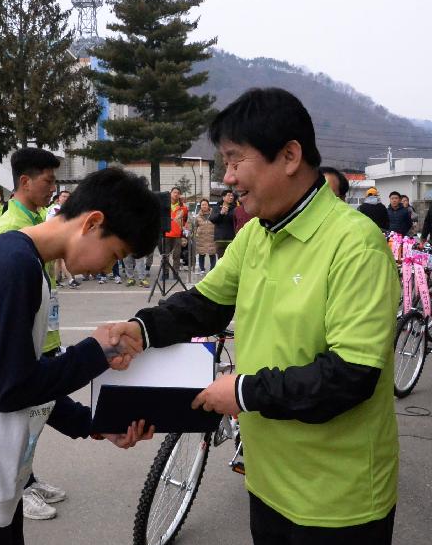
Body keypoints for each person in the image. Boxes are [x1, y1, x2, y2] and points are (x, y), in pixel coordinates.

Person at [111, 87, 400, 544]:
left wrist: (243, 391)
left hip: (337, 502)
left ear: (289, 156)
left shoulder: (355, 244)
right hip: (267, 483)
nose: (228, 177)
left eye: (234, 160)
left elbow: (352, 375)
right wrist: (139, 329)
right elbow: (203, 305)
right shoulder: (257, 235)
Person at [0, 167, 157, 544]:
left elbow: (24, 376)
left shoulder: (24, 260)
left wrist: (91, 421)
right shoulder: (13, 267)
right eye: (115, 254)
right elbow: (9, 389)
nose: (109, 267)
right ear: (92, 223)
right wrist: (93, 351)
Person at [0, 148, 68, 520]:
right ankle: (18, 489)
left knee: (38, 415)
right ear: (24, 181)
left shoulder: (35, 218)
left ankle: (29, 478)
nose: (52, 188)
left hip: (46, 332)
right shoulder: (13, 229)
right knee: (25, 418)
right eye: (47, 180)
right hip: (31, 338)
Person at [162, 187, 189, 279]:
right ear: (170, 193)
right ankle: (165, 274)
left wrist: (183, 233)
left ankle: (175, 273)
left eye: (178, 193)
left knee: (176, 256)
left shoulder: (184, 208)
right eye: (174, 192)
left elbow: (185, 222)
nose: (176, 194)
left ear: (179, 195)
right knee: (165, 256)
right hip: (166, 234)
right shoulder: (164, 205)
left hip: (177, 235)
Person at [193, 199, 217, 274]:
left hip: (212, 237)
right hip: (201, 238)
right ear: (201, 206)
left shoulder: (213, 214)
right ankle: (202, 269)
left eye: (205, 204)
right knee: (201, 254)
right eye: (202, 204)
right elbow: (195, 226)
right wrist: (195, 234)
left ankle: (212, 269)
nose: (204, 206)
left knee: (212, 254)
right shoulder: (197, 216)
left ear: (208, 205)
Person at [210, 189, 236, 257]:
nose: (231, 197)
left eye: (232, 196)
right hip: (220, 238)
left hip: (232, 238)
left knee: (231, 259)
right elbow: (212, 219)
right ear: (223, 197)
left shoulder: (235, 208)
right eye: (229, 195)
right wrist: (221, 213)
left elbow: (236, 220)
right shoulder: (216, 208)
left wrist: (228, 213)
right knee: (221, 259)